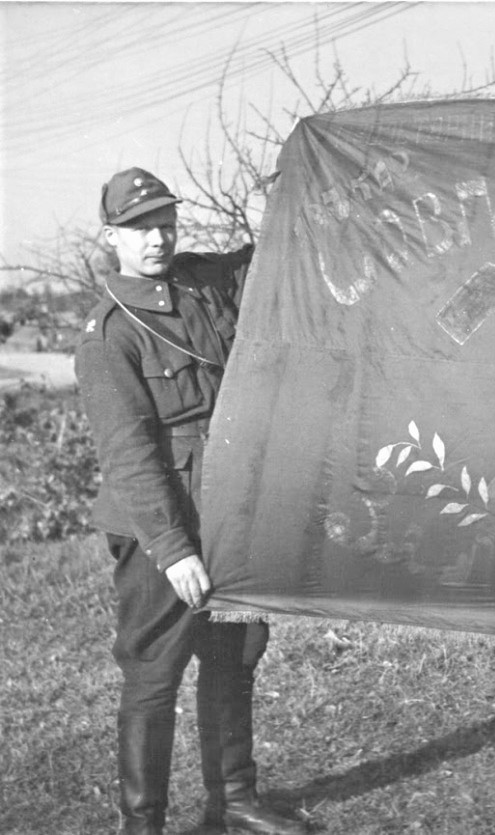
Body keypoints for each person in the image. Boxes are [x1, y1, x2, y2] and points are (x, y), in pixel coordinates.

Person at [76, 168, 306, 835]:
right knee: (155, 671)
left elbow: (269, 257)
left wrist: (295, 187)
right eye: (141, 227)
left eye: (166, 222)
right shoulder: (107, 334)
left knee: (235, 653)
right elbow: (129, 456)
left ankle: (232, 799)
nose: (157, 238)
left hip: (228, 507)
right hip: (159, 526)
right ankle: (140, 823)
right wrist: (173, 549)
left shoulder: (201, 284)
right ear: (112, 236)